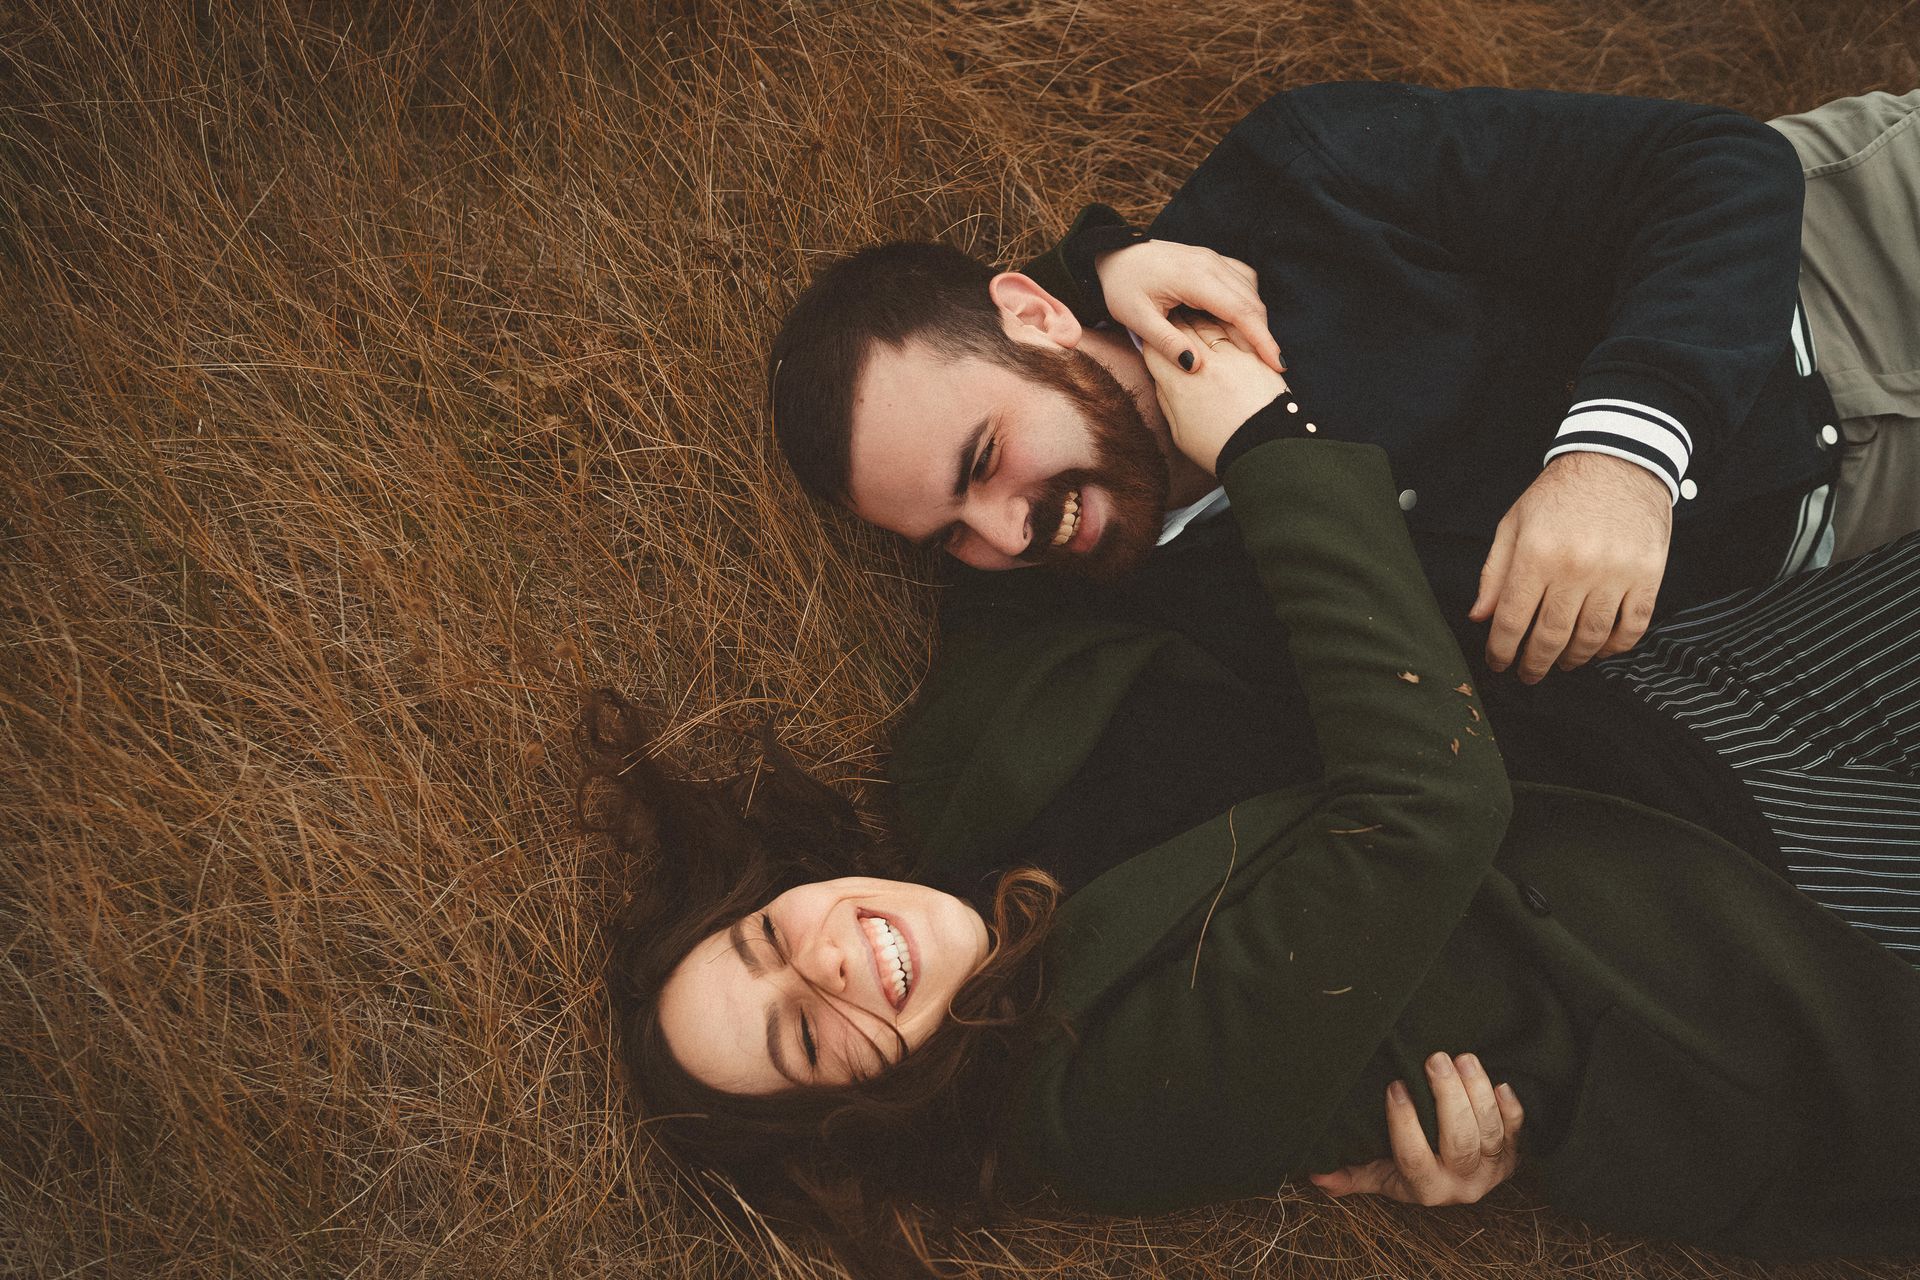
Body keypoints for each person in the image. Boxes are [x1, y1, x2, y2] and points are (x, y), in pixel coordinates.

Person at [597, 314, 1920, 1277]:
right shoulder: (1096, 1110)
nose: (824, 966)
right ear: (858, 1112)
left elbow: (1025, 485)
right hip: (1735, 948)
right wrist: (1271, 450)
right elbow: (1425, 809)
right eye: (803, 1041)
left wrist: (1103, 279)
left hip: (1651, 708)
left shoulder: (957, 763)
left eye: (769, 939)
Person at [767, 84, 1920, 964]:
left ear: (1032, 312)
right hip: (1840, 550)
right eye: (950, 533)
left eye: (982, 460)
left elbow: (1724, 167)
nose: (1008, 534)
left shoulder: (1295, 188)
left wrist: (1617, 456)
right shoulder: (1158, 616)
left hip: (1843, 275)